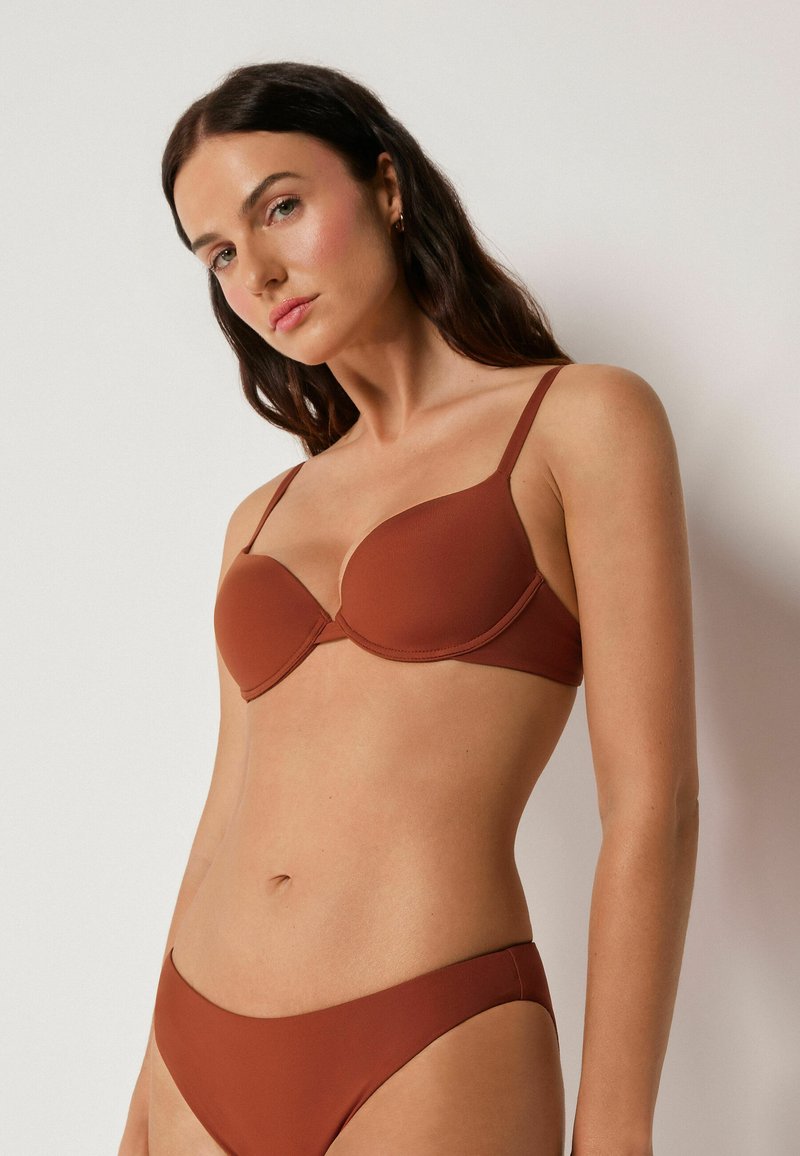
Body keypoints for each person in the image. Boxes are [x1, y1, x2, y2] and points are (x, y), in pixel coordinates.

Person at [118, 61, 699, 1156]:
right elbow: (222, 822)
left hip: (428, 1036)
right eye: (220, 255)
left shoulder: (579, 422)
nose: (259, 273)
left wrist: (616, 1127)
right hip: (196, 1051)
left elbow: (651, 805)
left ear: (386, 187)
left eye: (280, 207)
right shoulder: (258, 519)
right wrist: (141, 1108)